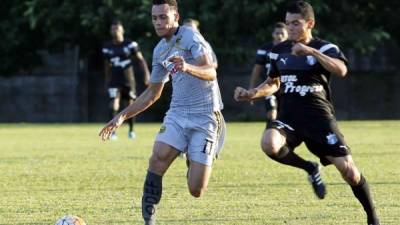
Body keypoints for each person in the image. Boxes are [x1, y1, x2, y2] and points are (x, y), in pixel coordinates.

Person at [234, 1, 379, 224]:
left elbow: (341, 70)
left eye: (295, 24)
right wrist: (251, 93)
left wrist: (310, 50)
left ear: (310, 23)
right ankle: (310, 168)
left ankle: (372, 217)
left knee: (349, 172)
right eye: (288, 23)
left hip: (319, 119)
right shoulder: (278, 50)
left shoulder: (325, 48)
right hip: (289, 117)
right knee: (269, 143)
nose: (290, 28)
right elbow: (273, 82)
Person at [99, 0, 225, 224]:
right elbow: (152, 94)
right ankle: (149, 222)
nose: (158, 22)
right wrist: (121, 116)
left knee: (196, 189)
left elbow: (210, 71)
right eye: (155, 18)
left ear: (176, 17)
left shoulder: (190, 37)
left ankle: (192, 159)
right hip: (177, 113)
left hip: (206, 116)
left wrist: (186, 66)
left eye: (163, 17)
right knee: (156, 160)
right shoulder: (160, 50)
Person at [102, 20, 150, 140]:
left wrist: (146, 74)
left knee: (130, 105)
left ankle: (131, 131)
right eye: (113, 29)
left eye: (117, 28)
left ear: (122, 30)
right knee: (114, 104)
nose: (115, 31)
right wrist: (107, 80)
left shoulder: (130, 45)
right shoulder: (107, 47)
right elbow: (107, 65)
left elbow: (141, 60)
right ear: (110, 31)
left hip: (128, 80)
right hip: (114, 80)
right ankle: (113, 132)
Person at [248, 22, 288, 126]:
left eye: (282, 33)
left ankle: (281, 138)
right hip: (270, 86)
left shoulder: (292, 49)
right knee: (272, 113)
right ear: (272, 34)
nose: (279, 36)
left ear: (287, 34)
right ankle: (269, 135)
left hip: (287, 87)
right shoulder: (265, 49)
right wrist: (252, 89)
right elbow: (257, 69)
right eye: (277, 33)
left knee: (285, 116)